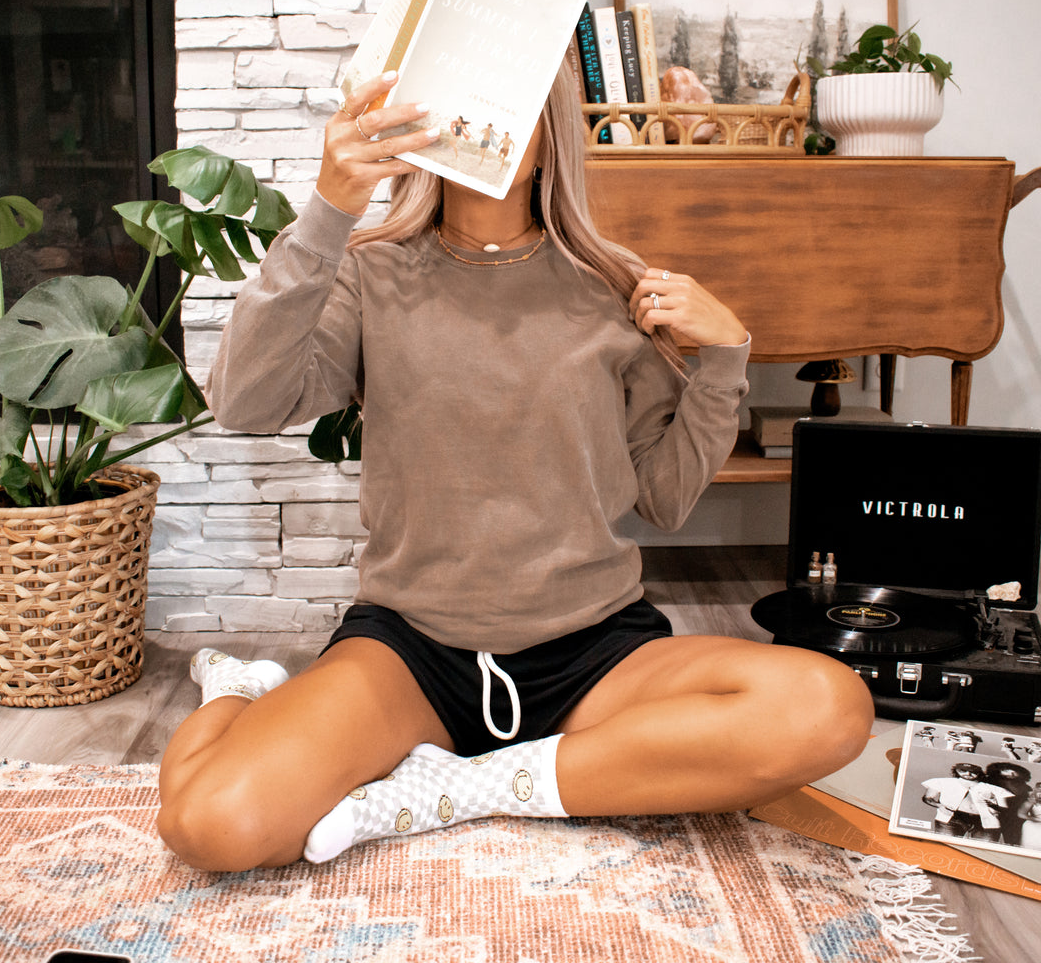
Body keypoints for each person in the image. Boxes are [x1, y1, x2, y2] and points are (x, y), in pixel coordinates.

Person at [156, 65, 874, 872]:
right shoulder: (369, 272)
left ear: (548, 134)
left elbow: (666, 500)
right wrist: (328, 211)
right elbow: (248, 403)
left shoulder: (612, 284)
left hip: (597, 652)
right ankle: (242, 693)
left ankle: (457, 789)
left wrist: (724, 357)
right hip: (412, 652)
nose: (480, 117)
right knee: (210, 824)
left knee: (829, 706)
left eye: (508, 97)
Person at [921, 762, 1013, 841]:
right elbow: (927, 798)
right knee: (945, 847)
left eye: (973, 772)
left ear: (979, 773)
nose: (968, 773)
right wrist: (940, 806)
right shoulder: (943, 782)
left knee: (982, 853)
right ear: (956, 771)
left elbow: (1004, 809)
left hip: (985, 823)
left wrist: (993, 806)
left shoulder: (994, 789)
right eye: (963, 770)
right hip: (951, 819)